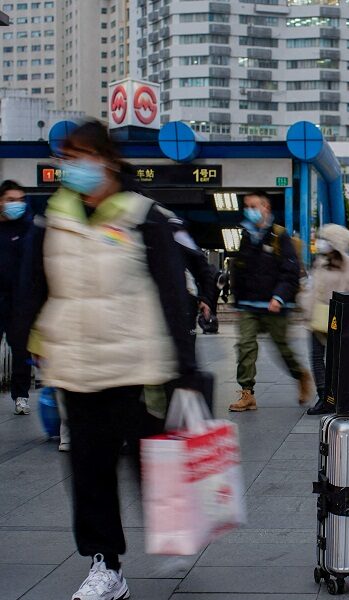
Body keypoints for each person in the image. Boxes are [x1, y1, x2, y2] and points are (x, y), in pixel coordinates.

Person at [12, 120, 198, 600]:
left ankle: (177, 522)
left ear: (107, 160)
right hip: (76, 365)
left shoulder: (143, 216)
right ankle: (106, 566)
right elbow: (34, 285)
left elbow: (172, 291)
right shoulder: (51, 217)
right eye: (65, 157)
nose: (70, 166)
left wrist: (185, 364)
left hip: (137, 365)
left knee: (149, 457)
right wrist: (24, 335)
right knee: (90, 474)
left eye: (79, 156)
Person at [228, 191, 312, 412]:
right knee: (245, 346)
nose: (249, 210)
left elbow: (290, 271)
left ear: (265, 208)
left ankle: (300, 375)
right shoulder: (246, 235)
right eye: (247, 206)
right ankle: (247, 393)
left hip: (275, 305)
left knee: (282, 348)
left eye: (254, 206)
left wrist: (279, 297)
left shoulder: (279, 236)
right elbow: (239, 269)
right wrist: (237, 301)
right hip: (248, 304)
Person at [300, 224, 349, 416]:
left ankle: (339, 395)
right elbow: (313, 288)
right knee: (316, 357)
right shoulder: (320, 261)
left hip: (339, 319)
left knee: (338, 360)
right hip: (317, 317)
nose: (321, 243)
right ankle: (323, 395)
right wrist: (307, 307)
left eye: (326, 240)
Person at [0, 180, 32, 416]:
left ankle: (21, 396)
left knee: (21, 351)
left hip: (19, 302)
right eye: (11, 200)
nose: (16, 205)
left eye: (20, 200)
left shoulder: (27, 229)